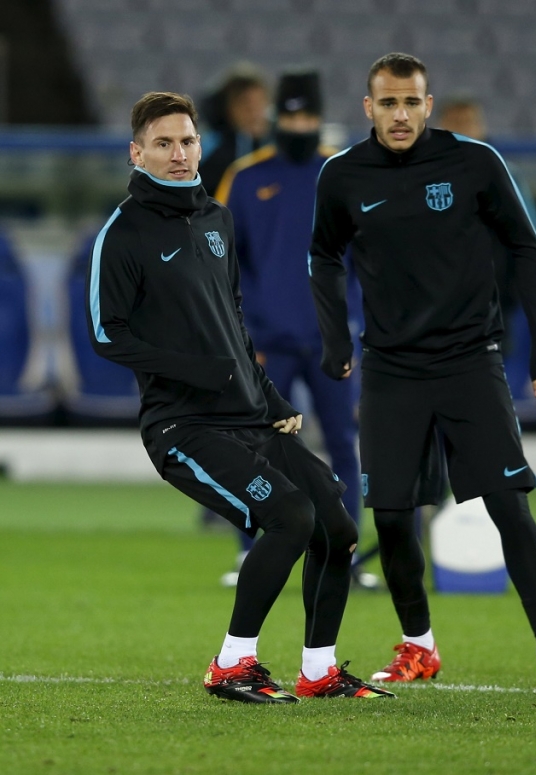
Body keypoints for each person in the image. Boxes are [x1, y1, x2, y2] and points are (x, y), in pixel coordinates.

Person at [87, 91, 391, 703]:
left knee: (335, 520)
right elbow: (105, 333)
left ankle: (319, 670)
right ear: (137, 152)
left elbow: (233, 318)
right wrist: (195, 370)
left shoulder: (216, 218)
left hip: (249, 416)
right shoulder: (121, 234)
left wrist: (270, 396)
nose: (179, 154)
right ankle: (231, 665)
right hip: (182, 426)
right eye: (164, 143)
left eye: (187, 141)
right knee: (289, 515)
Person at [308, 53, 536, 689]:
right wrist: (334, 334)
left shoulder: (474, 162)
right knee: (391, 516)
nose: (400, 114)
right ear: (368, 108)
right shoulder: (343, 175)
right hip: (391, 368)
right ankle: (419, 646)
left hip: (470, 360)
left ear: (428, 105)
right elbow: (323, 256)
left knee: (510, 507)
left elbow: (525, 246)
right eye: (388, 104)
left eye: (411, 102)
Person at [214, 68, 377, 591]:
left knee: (343, 446)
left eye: (307, 115)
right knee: (254, 449)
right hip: (267, 346)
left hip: (330, 343)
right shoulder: (244, 176)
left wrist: (349, 329)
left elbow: (364, 262)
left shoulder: (342, 172)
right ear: (276, 119)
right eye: (291, 116)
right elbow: (224, 267)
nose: (299, 124)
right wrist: (245, 341)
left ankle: (342, 554)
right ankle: (253, 553)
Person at [434, 94, 536, 405]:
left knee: (491, 409)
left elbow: (531, 245)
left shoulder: (505, 175)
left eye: (469, 121)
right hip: (431, 317)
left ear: (483, 126)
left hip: (491, 315)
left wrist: (508, 296)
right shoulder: (419, 176)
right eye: (455, 121)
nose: (463, 129)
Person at [199, 63, 272, 196]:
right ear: (229, 108)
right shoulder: (212, 147)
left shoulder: (278, 145)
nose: (254, 112)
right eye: (245, 104)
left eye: (259, 103)